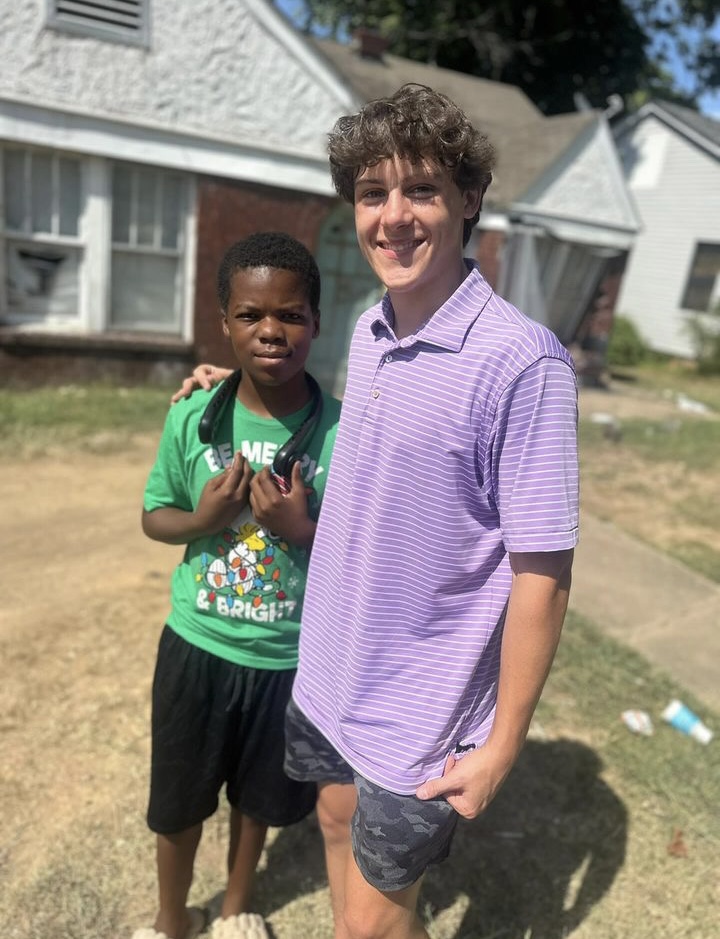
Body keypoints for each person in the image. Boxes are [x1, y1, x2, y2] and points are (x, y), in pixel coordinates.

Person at [177, 83, 579, 939]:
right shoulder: (368, 327)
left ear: (470, 199)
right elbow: (362, 445)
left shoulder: (522, 363)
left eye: (422, 189)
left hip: (423, 709)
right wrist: (235, 385)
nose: (393, 217)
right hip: (331, 667)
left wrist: (503, 743)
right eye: (371, 193)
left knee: (371, 923)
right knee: (330, 822)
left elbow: (542, 575)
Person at [136, 232, 341, 939]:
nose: (271, 331)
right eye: (250, 315)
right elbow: (153, 516)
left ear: (316, 321)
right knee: (178, 797)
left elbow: (368, 553)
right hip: (197, 644)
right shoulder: (192, 414)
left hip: (286, 659)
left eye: (290, 314)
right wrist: (204, 516)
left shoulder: (342, 433)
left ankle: (234, 907)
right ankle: (170, 917)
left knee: (258, 800)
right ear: (223, 322)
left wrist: (302, 527)